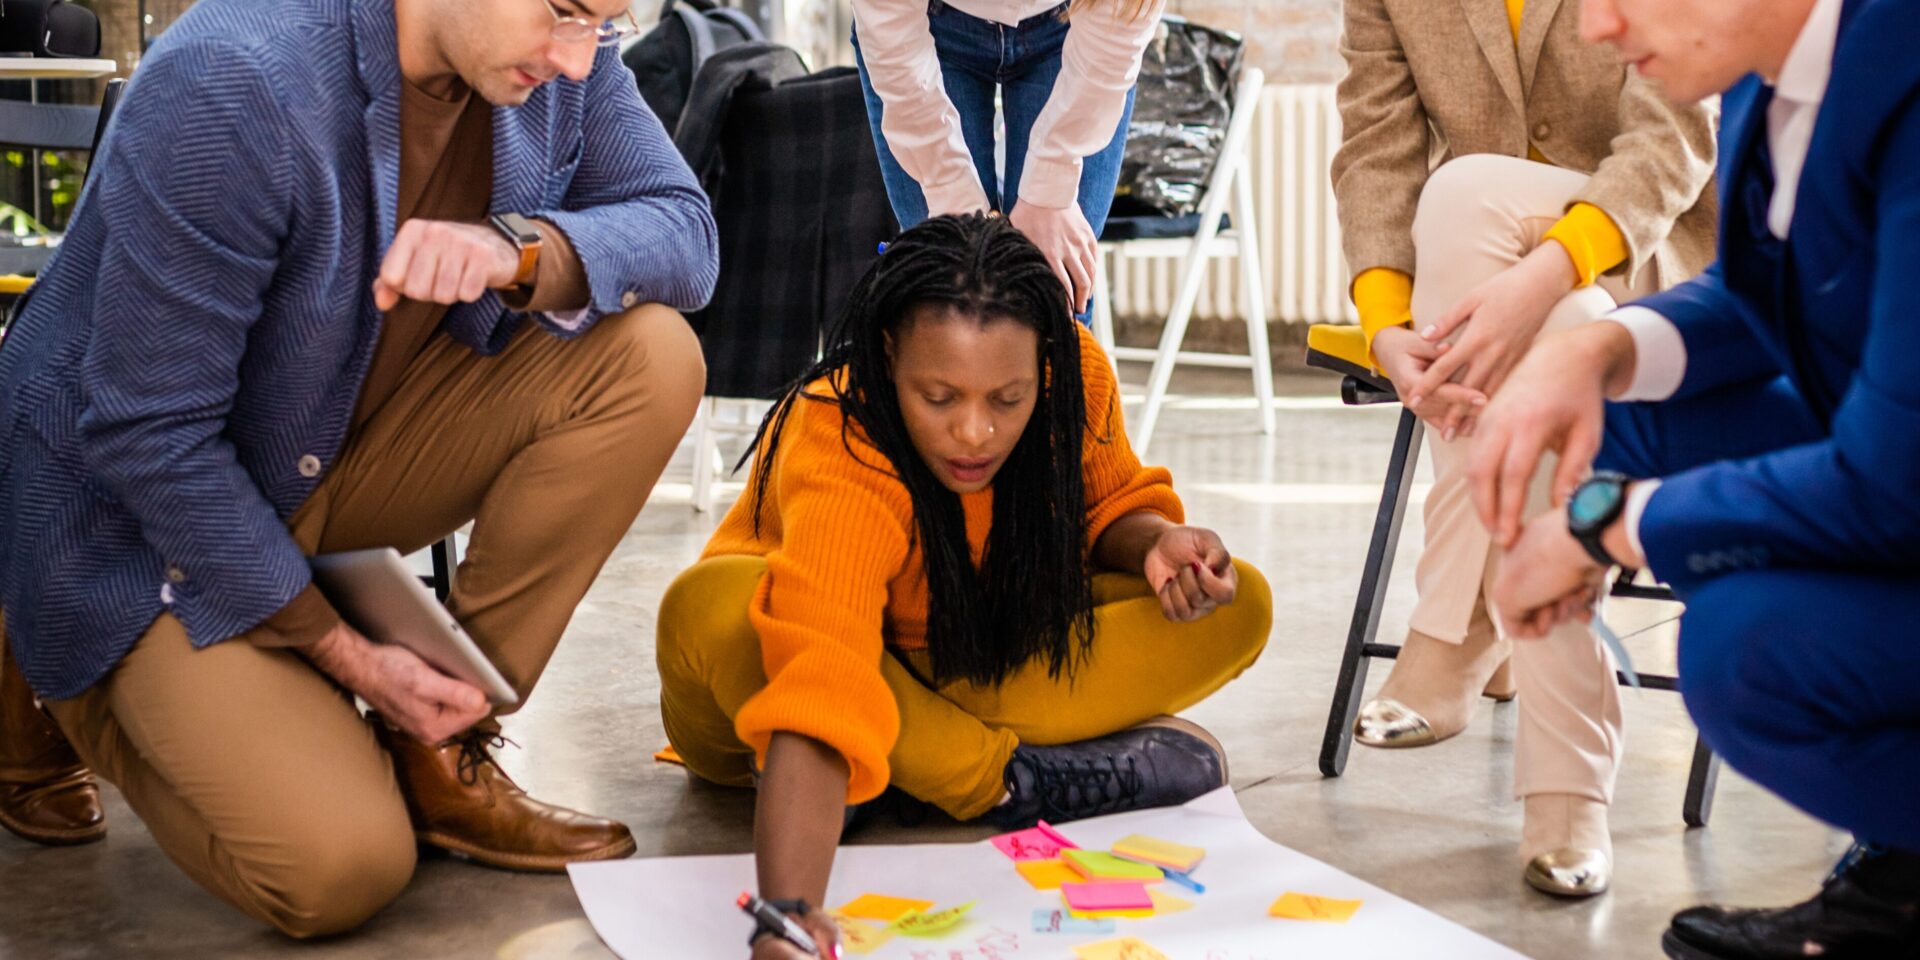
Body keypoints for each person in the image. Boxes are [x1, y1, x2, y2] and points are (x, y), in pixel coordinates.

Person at [0, 0, 717, 937]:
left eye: (604, 22)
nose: (580, 60)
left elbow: (687, 234)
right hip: (131, 518)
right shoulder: (233, 78)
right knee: (340, 871)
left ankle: (443, 742)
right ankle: (34, 642)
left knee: (653, 358)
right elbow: (148, 438)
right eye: (565, 12)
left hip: (322, 442)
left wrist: (518, 248)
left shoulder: (559, 66)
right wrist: (348, 658)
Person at [653, 213, 1271, 959]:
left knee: (1240, 605)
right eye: (939, 398)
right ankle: (1002, 782)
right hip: (788, 681)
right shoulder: (840, 427)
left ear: (1042, 365)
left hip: (969, 658)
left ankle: (895, 769)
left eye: (1006, 401)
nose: (974, 433)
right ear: (887, 358)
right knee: (717, 607)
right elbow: (822, 672)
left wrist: (1155, 546)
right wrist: (786, 918)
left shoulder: (1073, 371)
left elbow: (1106, 509)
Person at [1467, 0, 1920, 954]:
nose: (1596, 25)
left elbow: (1892, 480)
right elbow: (1774, 285)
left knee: (1747, 654)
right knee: (1621, 414)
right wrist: (1595, 349)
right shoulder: (1776, 65)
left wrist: (1605, 526)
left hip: (1900, 474)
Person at [1327, 0, 1717, 896]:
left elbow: (1678, 136)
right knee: (1510, 273)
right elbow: (1375, 144)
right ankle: (1567, 788)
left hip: (1649, 249)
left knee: (1463, 190)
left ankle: (1463, 616)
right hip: (1480, 282)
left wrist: (1539, 278)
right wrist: (1388, 326)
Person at [849, 0, 1163, 316]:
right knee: (947, 290)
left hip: (1081, 22)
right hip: (923, 28)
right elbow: (888, 25)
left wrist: (1050, 188)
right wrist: (950, 190)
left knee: (1052, 292)